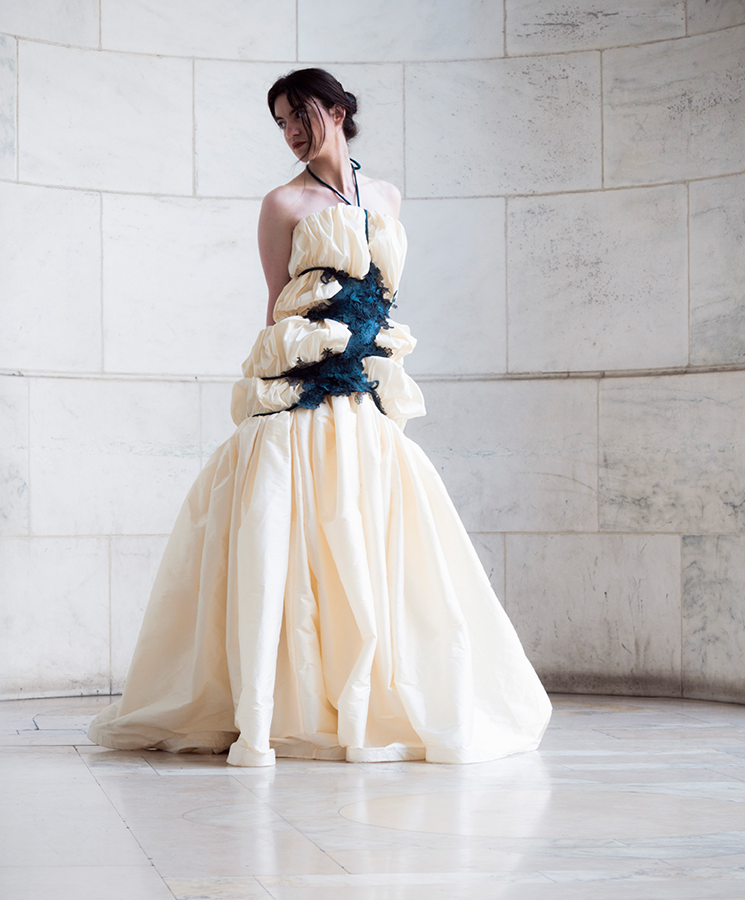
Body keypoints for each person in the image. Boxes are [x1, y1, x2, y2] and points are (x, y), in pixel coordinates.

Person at [88, 68, 551, 766]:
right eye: (279, 122)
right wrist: (277, 387)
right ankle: (275, 707)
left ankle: (363, 697)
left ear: (337, 110)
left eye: (298, 114)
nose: (290, 131)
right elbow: (278, 303)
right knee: (288, 538)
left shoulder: (389, 196)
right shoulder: (283, 204)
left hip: (365, 398)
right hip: (303, 394)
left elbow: (387, 295)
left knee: (373, 546)